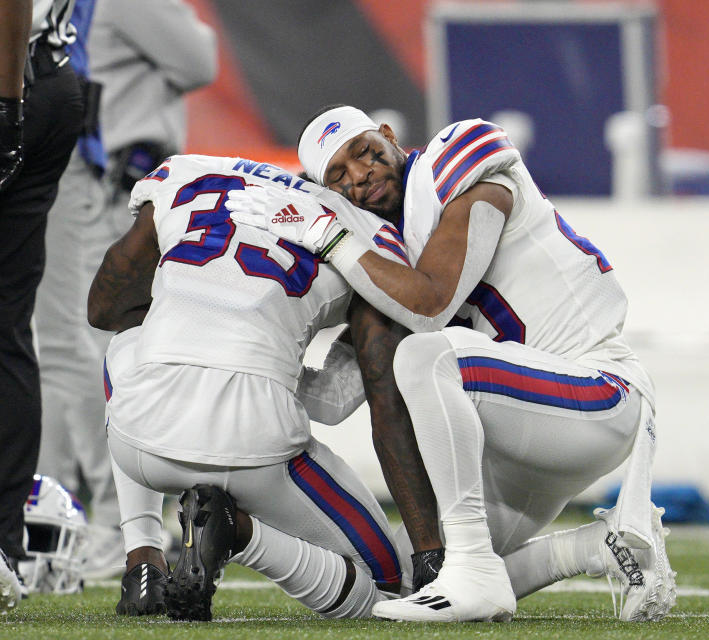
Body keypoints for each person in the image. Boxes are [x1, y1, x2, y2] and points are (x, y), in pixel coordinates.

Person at [226, 105, 677, 622]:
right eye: (339, 175)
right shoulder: (385, 252)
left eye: (365, 151)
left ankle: (470, 567)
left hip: (598, 393)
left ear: (390, 137)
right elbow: (330, 400)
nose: (361, 173)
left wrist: (330, 239)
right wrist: (233, 352)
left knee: (425, 353)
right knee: (400, 584)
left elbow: (432, 303)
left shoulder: (453, 163)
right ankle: (601, 547)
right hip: (521, 433)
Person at [88, 153, 418, 619]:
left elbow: (102, 309)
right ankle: (238, 535)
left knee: (127, 346)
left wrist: (189, 324)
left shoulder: (191, 173)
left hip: (139, 443)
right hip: (255, 449)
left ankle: (142, 559)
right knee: (393, 588)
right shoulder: (372, 236)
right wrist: (264, 366)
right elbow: (338, 401)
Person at [33, 0, 217, 579]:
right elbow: (196, 56)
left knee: (75, 348)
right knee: (65, 349)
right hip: (103, 179)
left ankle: (117, 525)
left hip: (108, 184)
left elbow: (199, 62)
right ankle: (67, 518)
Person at [0, 0, 84, 582]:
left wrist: (6, 105)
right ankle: (5, 548)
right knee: (7, 327)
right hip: (46, 75)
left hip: (18, 83)